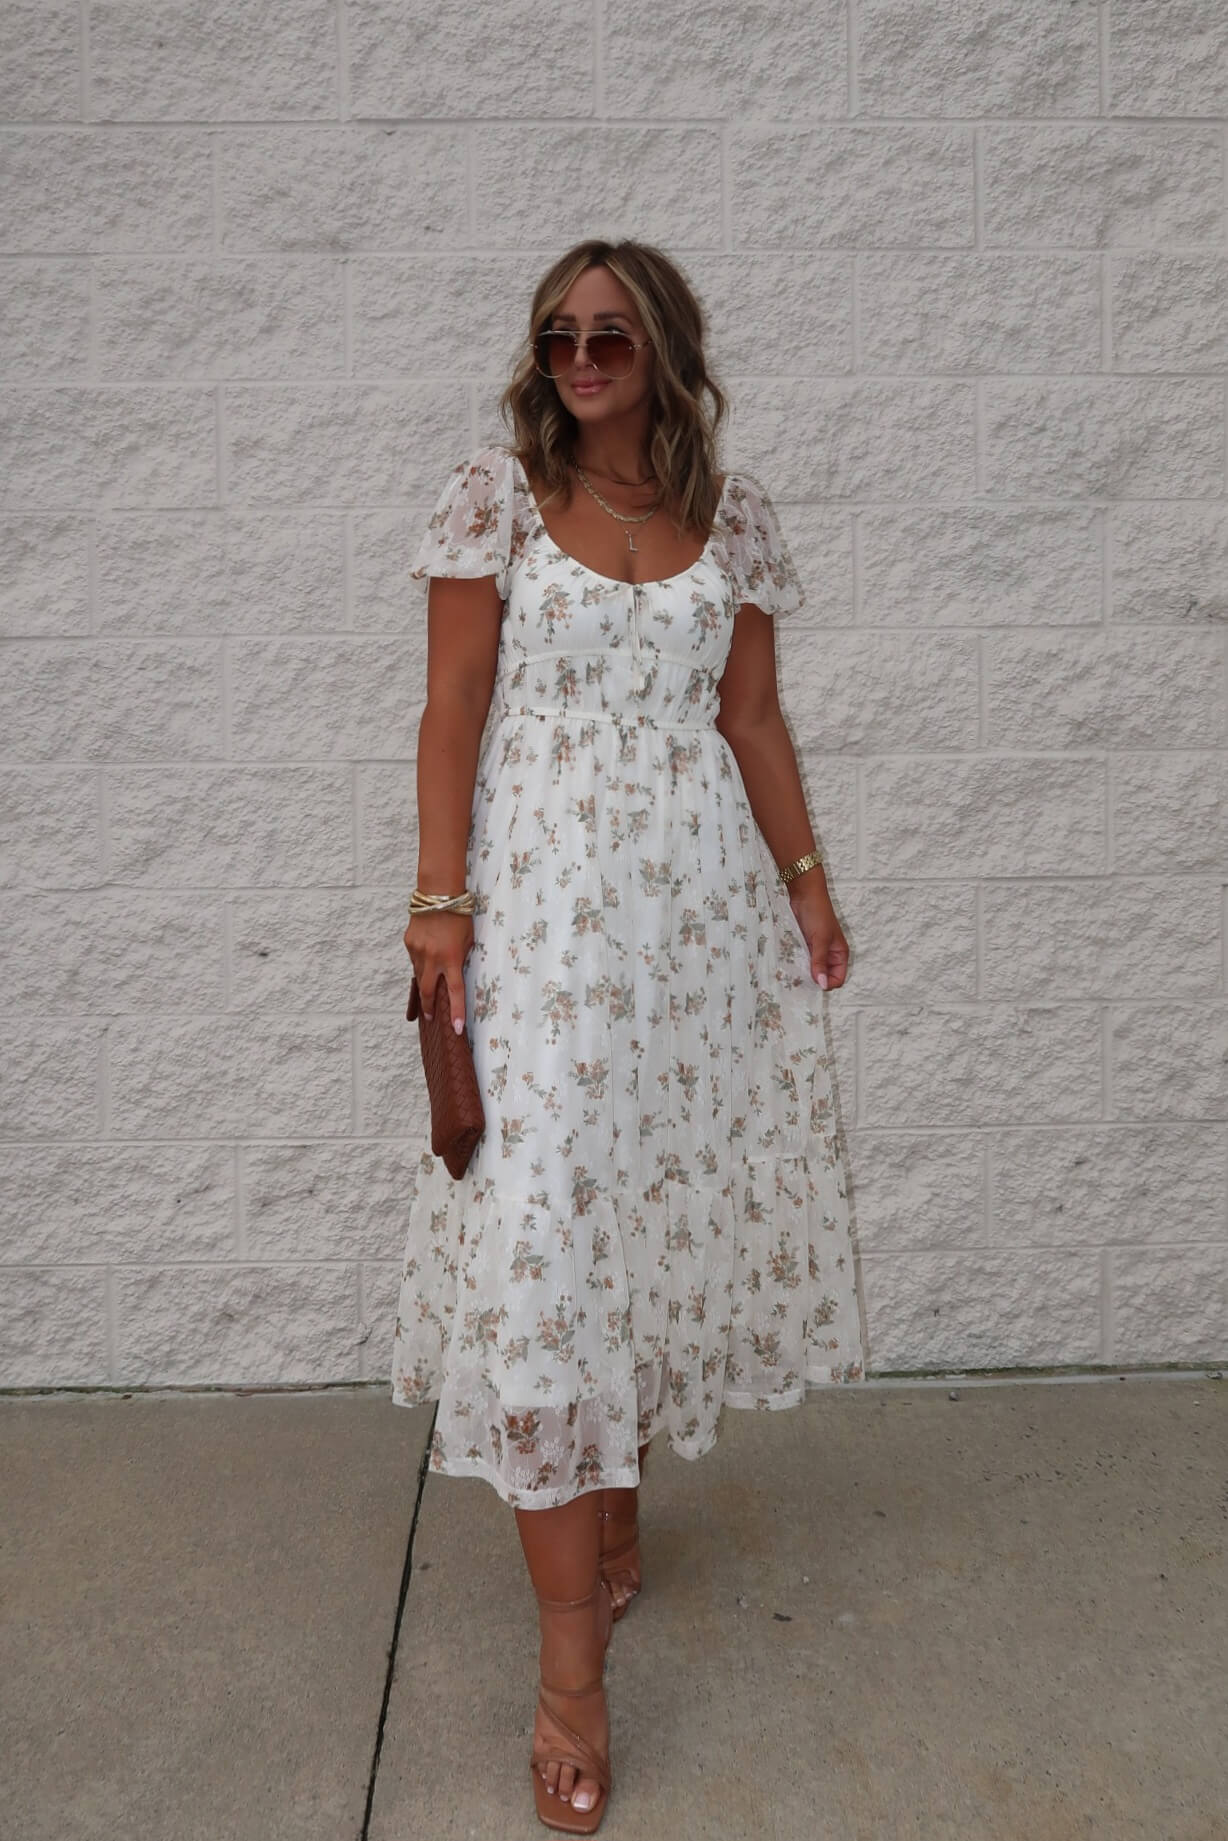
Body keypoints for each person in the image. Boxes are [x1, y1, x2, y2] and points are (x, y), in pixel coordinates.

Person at [392, 237, 865, 1833]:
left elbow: (749, 719)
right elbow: (453, 707)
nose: (582, 354)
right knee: (540, 1241)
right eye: (558, 334)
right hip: (535, 938)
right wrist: (437, 899)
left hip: (690, 940)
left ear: (662, 346)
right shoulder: (496, 501)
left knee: (646, 1205)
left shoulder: (733, 515)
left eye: (610, 332)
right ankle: (569, 1682)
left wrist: (806, 886)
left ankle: (618, 1499)